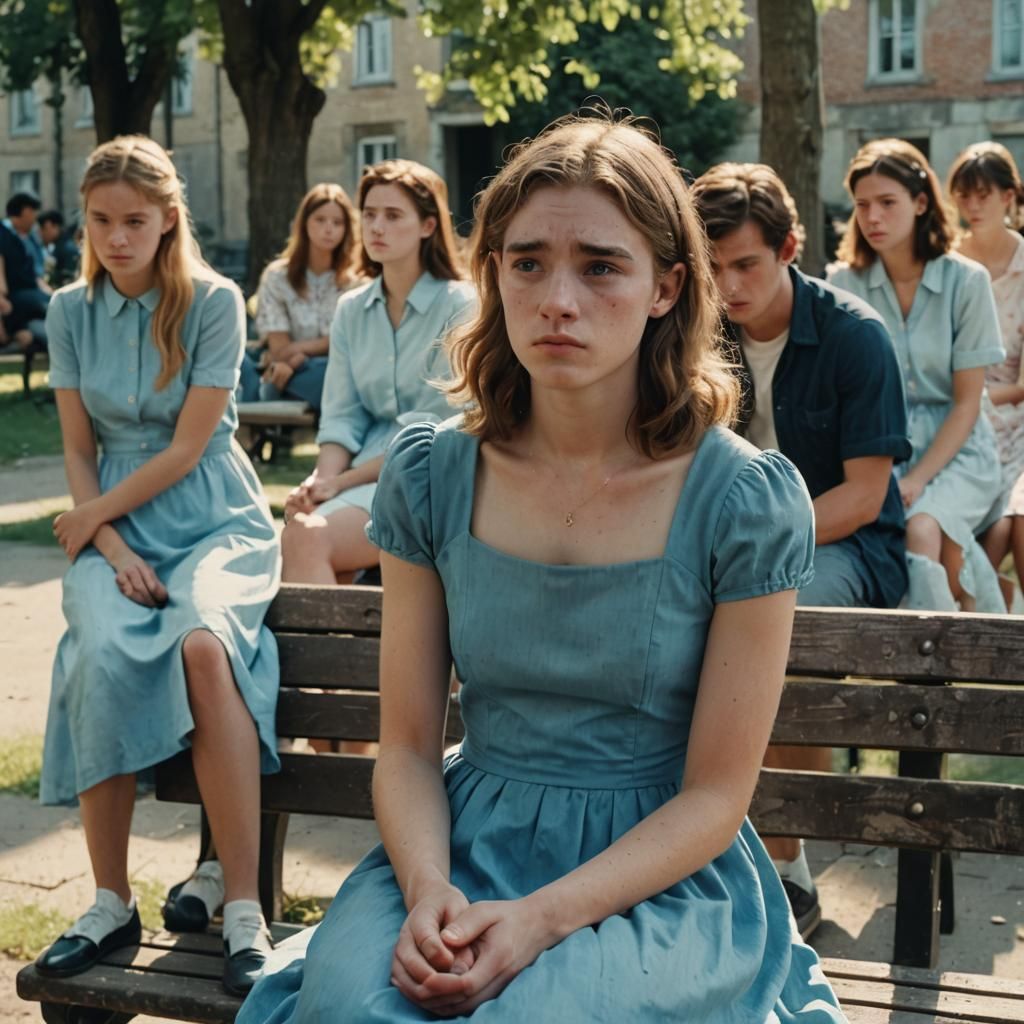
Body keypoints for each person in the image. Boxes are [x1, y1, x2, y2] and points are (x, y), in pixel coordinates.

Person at [239, 113, 845, 1023]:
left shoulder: (739, 498)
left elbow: (718, 796)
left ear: (666, 288)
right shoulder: (432, 474)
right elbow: (405, 746)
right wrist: (430, 887)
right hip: (462, 840)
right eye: (526, 262)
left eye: (600, 265)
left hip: (657, 873)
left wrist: (538, 922)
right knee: (356, 1009)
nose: (558, 298)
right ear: (493, 277)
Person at [32, 135, 281, 997]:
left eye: (135, 221)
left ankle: (244, 906)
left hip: (212, 514)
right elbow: (76, 447)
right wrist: (105, 541)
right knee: (96, 647)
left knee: (205, 645)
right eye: (100, 221)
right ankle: (108, 900)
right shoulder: (68, 310)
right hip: (112, 533)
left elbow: (188, 446)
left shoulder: (214, 300)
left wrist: (91, 515)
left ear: (169, 218)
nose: (116, 238)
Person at [692, 161, 910, 938]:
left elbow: (863, 495)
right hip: (726, 541)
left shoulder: (855, 337)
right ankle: (687, 851)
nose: (729, 286)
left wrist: (753, 544)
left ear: (790, 247)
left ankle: (789, 871)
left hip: (843, 547)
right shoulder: (695, 333)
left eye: (746, 263)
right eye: (711, 268)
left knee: (780, 615)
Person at [829, 138, 1006, 613]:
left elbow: (968, 403)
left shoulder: (966, 281)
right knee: (924, 542)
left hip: (961, 451)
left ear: (921, 202)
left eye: (888, 203)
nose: (873, 217)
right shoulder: (842, 285)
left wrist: (918, 479)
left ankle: (930, 669)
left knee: (923, 528)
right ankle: (970, 633)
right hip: (879, 448)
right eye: (862, 205)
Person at [280, 159, 474, 585]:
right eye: (368, 214)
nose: (376, 227)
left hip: (431, 477)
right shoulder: (351, 309)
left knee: (307, 540)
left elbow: (436, 428)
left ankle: (330, 653)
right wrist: (320, 483)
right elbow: (342, 417)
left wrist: (341, 482)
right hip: (360, 476)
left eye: (392, 215)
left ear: (427, 226)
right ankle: (347, 651)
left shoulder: (461, 305)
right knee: (300, 532)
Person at [948, 142, 1024, 605]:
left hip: (1014, 419)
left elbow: (1023, 386)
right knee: (986, 534)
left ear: (1009, 197)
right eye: (963, 196)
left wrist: (974, 398)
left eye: (983, 195)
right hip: (960, 412)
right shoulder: (951, 262)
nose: (972, 207)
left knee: (1011, 524)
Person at [245, 183, 361, 411]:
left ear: (347, 229)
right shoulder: (277, 276)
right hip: (285, 368)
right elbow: (279, 346)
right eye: (320, 219)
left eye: (337, 223)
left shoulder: (357, 282)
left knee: (331, 373)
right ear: (304, 222)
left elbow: (347, 344)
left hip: (327, 369)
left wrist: (298, 356)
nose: (328, 229)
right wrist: (295, 355)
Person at [0, 193, 49, 350]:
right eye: (34, 213)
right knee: (50, 306)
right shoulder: (3, 235)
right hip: (15, 298)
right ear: (26, 211)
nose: (35, 219)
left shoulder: (19, 237)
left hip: (24, 296)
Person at [39, 208, 82, 288]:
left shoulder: (67, 248)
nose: (41, 233)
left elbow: (70, 278)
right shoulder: (60, 246)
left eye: (43, 228)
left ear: (54, 226)